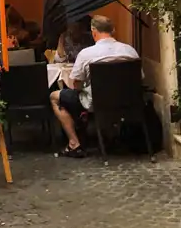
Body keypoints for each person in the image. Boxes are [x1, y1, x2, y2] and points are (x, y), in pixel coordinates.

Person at [50, 15, 139, 158]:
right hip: (128, 101)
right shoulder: (130, 51)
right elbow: (140, 77)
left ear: (93, 31)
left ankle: (74, 143)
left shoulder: (87, 54)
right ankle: (111, 136)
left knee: (55, 97)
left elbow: (75, 84)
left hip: (95, 102)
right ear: (113, 30)